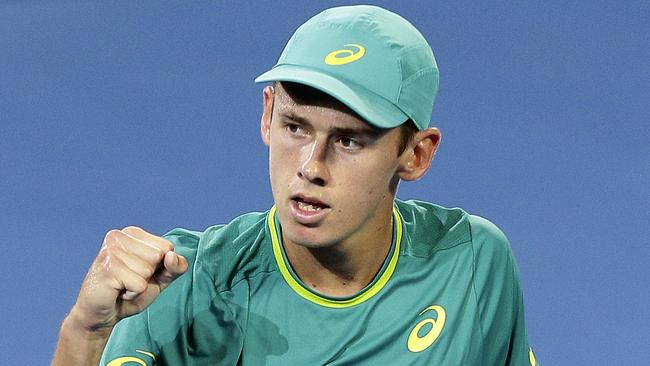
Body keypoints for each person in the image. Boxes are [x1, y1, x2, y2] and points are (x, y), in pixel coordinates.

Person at [52, 5, 537, 365]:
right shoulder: (182, 285)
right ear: (267, 116)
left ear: (415, 154)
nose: (311, 166)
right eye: (296, 127)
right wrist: (86, 332)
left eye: (349, 141)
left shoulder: (472, 261)